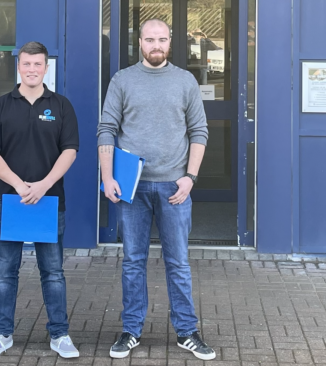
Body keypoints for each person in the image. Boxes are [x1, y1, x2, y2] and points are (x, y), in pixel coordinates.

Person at [97, 19, 216, 361]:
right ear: (140, 42)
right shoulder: (122, 80)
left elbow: (199, 131)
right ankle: (131, 330)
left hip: (174, 187)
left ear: (170, 42)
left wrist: (190, 177)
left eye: (162, 39)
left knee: (177, 262)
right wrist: (107, 177)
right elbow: (106, 129)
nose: (156, 45)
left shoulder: (185, 80)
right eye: (150, 39)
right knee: (133, 261)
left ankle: (187, 331)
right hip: (133, 188)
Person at [0, 41, 80, 360]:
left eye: (38, 64)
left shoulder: (62, 105)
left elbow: (70, 150)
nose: (32, 69)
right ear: (18, 66)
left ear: (46, 68)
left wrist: (44, 185)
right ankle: (2, 334)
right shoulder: (0, 106)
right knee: (5, 272)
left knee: (53, 272)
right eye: (27, 64)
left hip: (49, 202)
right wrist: (19, 185)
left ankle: (60, 335)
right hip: (8, 202)